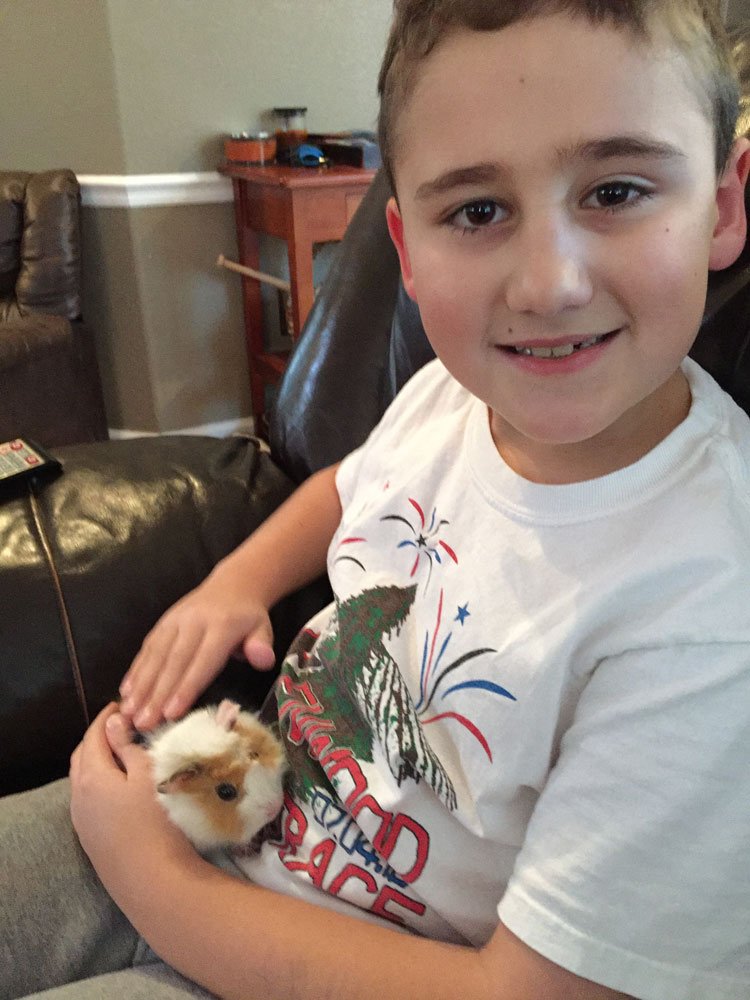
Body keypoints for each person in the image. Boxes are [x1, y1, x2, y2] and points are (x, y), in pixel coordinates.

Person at [3, 1, 750, 998]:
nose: (548, 285)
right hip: (231, 809)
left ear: (724, 205)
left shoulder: (710, 615)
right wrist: (233, 584)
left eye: (616, 191)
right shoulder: (450, 394)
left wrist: (154, 877)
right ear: (405, 246)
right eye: (477, 211)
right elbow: (343, 486)